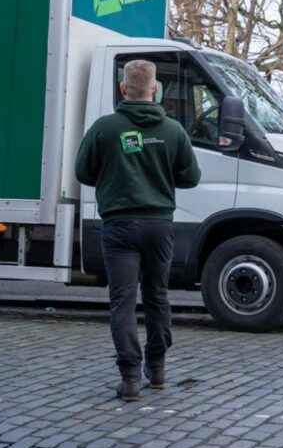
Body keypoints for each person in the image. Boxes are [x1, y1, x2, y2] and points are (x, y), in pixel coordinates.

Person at [75, 59, 201, 402]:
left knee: (123, 301)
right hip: (160, 225)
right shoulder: (174, 130)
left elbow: (83, 172)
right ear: (155, 89)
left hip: (118, 226)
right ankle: (157, 369)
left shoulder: (105, 128)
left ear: (122, 89)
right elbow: (191, 177)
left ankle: (130, 378)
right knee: (157, 295)